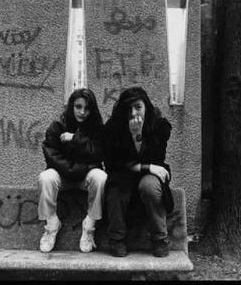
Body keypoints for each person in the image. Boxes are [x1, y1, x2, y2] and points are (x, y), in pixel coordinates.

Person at [103, 86, 174, 258]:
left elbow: (157, 158)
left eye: (138, 107)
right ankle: (117, 239)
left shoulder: (159, 126)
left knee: (149, 186)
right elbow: (113, 164)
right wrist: (135, 138)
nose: (134, 113)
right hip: (125, 175)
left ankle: (160, 239)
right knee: (116, 187)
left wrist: (140, 137)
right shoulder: (113, 128)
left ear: (146, 106)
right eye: (129, 109)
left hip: (151, 176)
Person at [37, 88, 106, 253]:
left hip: (85, 179)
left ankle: (89, 226)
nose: (82, 112)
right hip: (63, 177)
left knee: (101, 177)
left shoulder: (97, 129)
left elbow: (98, 154)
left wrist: (75, 140)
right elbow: (52, 156)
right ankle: (52, 225)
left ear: (92, 109)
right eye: (78, 106)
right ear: (71, 106)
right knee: (45, 177)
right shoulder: (57, 127)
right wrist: (72, 169)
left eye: (87, 108)